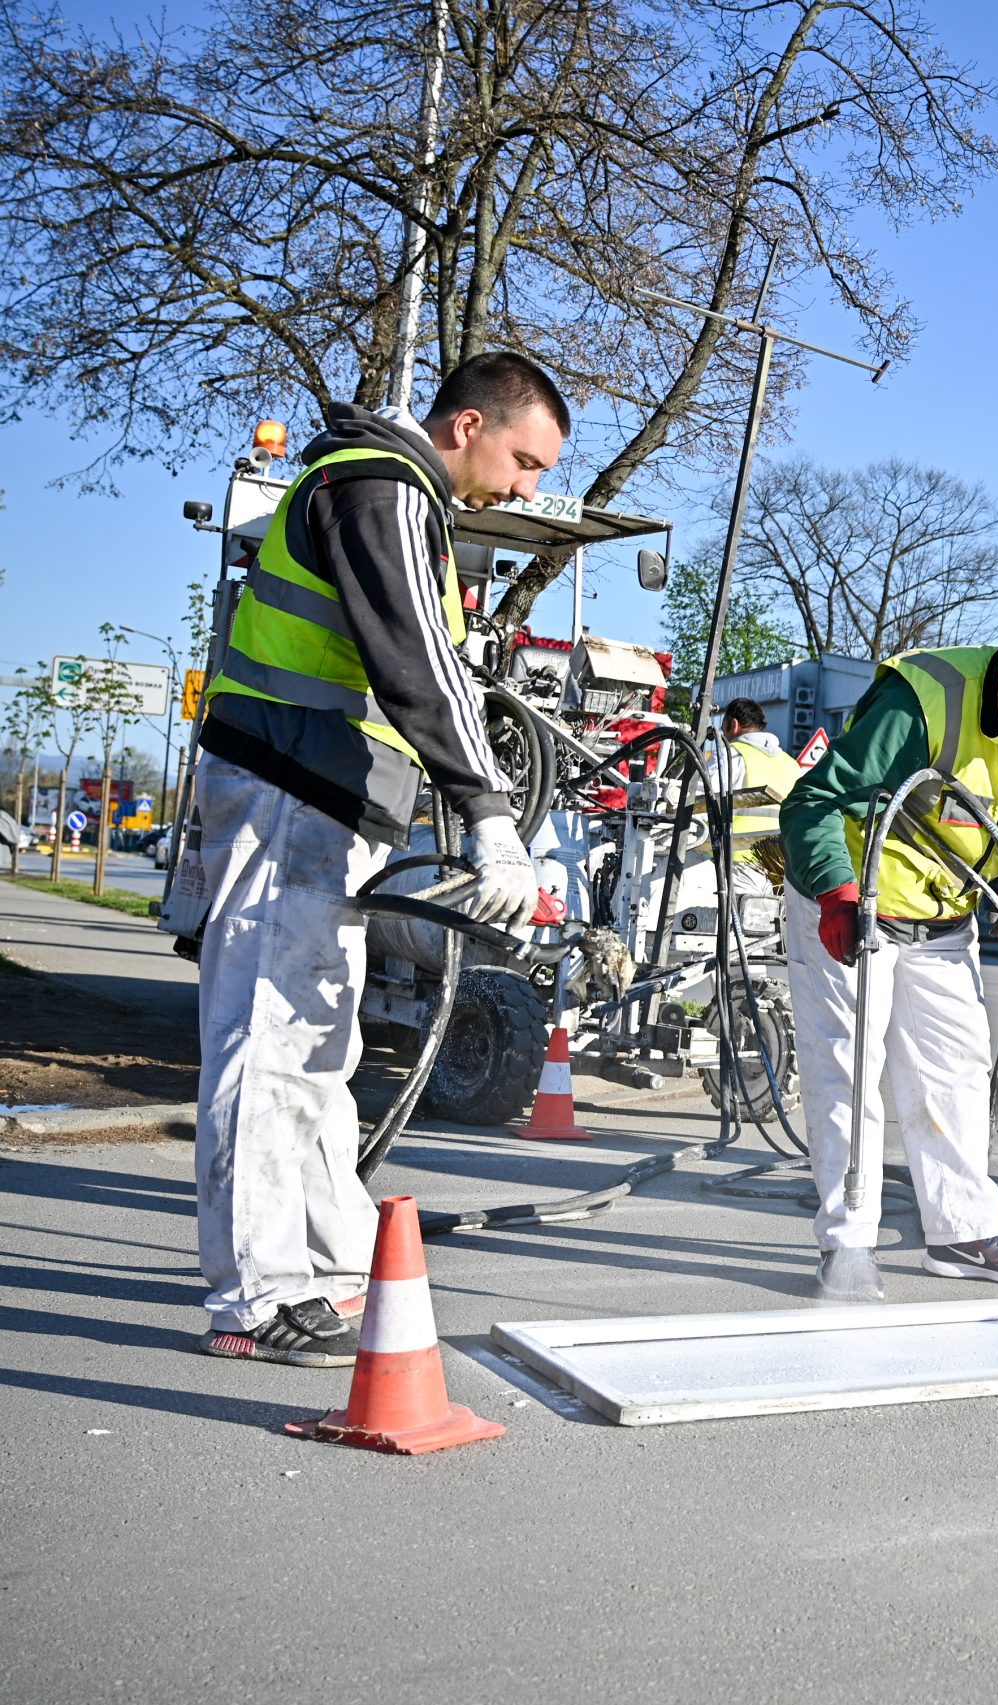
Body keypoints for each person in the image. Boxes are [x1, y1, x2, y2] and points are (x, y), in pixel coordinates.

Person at [191, 352, 568, 1365]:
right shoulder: (380, 487)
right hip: (286, 790)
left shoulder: (396, 500)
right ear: (466, 426)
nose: (531, 487)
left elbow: (424, 670)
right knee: (270, 1041)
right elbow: (419, 664)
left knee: (319, 1046)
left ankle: (328, 1259)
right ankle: (258, 1295)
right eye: (526, 460)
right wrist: (488, 813)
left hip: (322, 803)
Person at [778, 612, 998, 1299]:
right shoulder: (921, 699)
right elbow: (813, 802)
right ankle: (848, 1247)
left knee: (957, 1073)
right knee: (846, 1073)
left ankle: (963, 1232)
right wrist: (836, 893)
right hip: (854, 904)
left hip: (946, 917)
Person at [711, 696, 800, 881]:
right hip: (783, 869)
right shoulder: (792, 765)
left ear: (733, 724)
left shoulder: (730, 754)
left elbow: (701, 803)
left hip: (738, 866)